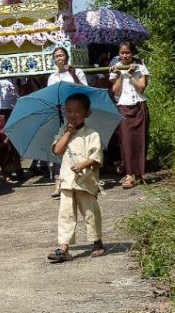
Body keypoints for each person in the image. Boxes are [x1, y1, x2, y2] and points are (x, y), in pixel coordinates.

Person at [47, 92, 106, 262]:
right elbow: (57, 151)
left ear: (87, 113)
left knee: (90, 212)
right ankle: (63, 247)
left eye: (78, 111)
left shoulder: (91, 134)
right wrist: (67, 134)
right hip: (66, 180)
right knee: (65, 214)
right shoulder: (63, 131)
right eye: (69, 111)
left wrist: (83, 164)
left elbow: (96, 157)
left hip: (86, 181)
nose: (73, 115)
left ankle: (97, 242)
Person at [47, 46, 89, 197]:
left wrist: (73, 74)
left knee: (79, 143)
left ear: (67, 57)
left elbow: (85, 89)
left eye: (61, 55)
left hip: (77, 112)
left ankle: (82, 177)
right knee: (61, 145)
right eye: (56, 56)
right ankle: (59, 181)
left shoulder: (77, 72)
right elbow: (50, 96)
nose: (59, 58)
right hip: (61, 113)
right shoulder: (52, 77)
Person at [110, 40, 150, 189]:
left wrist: (131, 75)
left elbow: (141, 87)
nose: (125, 55)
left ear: (132, 53)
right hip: (124, 107)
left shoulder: (140, 66)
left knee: (140, 141)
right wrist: (121, 74)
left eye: (127, 52)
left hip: (139, 106)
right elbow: (115, 91)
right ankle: (129, 175)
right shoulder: (115, 68)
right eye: (122, 53)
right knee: (126, 142)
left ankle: (139, 174)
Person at [0, 78, 21, 182]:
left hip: (15, 107)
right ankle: (6, 172)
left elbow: (22, 88)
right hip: (1, 107)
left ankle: (16, 167)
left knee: (15, 139)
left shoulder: (17, 73)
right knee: (3, 140)